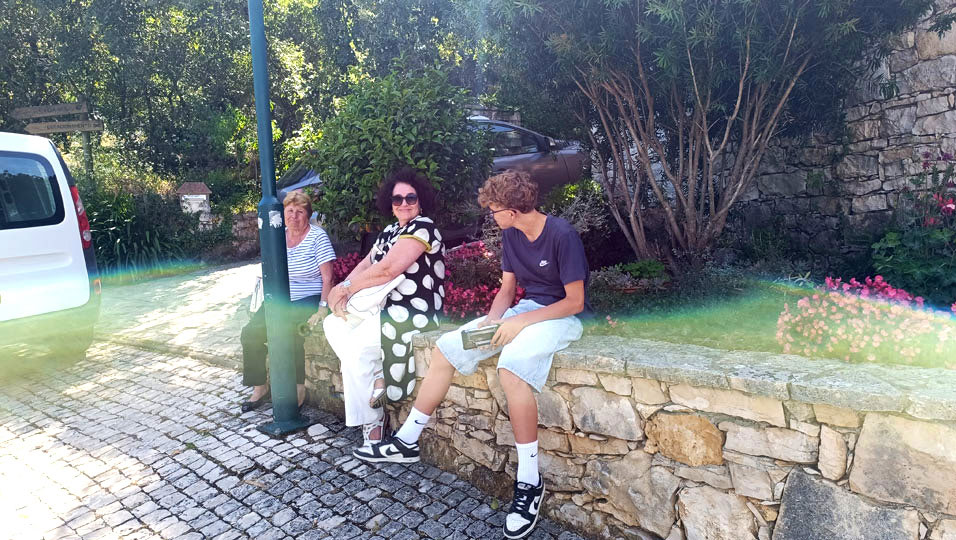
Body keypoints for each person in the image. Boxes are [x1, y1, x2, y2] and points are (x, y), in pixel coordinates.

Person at [354, 170, 589, 540]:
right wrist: (491, 324)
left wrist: (519, 322)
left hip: (560, 318)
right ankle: (407, 440)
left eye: (494, 210)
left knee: (511, 369)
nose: (491, 216)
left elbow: (574, 302)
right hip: (524, 311)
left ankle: (530, 482)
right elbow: (507, 290)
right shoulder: (511, 234)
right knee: (447, 348)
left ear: (512, 210)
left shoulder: (562, 234)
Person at [323, 167, 444, 449]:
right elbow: (367, 264)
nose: (404, 204)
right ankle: (378, 373)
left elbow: (388, 269)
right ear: (390, 204)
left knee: (355, 351)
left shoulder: (423, 227)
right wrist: (342, 290)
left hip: (412, 312)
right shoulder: (389, 232)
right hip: (381, 308)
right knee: (333, 323)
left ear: (421, 200)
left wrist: (344, 288)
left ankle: (373, 421)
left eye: (410, 198)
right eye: (397, 199)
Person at [240, 191, 336, 412]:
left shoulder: (317, 237)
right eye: (290, 211)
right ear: (283, 214)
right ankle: (260, 387)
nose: (294, 216)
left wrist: (322, 309)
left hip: (308, 297)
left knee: (290, 333)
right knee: (250, 333)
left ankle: (298, 388)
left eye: (300, 211)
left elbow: (328, 278)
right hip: (280, 298)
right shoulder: (278, 236)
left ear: (308, 215)